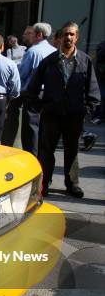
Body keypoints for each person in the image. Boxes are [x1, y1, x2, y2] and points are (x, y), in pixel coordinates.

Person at [26, 22, 100, 198]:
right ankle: (45, 183)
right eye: (66, 34)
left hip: (74, 114)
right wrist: (40, 105)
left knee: (72, 150)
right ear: (60, 38)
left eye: (72, 35)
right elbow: (33, 87)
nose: (68, 37)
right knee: (46, 150)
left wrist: (88, 108)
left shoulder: (84, 60)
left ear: (77, 37)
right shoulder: (49, 61)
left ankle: (72, 184)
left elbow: (93, 87)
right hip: (52, 114)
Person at [10, 22, 56, 156]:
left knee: (31, 130)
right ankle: (43, 156)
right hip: (49, 94)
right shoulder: (53, 51)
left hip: (33, 94)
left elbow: (22, 74)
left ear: (39, 35)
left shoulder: (33, 51)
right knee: (45, 128)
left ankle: (32, 158)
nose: (28, 36)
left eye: (32, 33)